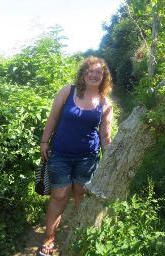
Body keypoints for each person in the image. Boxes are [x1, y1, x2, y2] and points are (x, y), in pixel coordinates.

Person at [37, 56, 113, 256]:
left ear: (104, 77)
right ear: (83, 73)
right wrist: (44, 142)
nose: (94, 75)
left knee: (81, 194)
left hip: (87, 158)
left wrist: (110, 158)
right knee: (59, 195)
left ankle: (79, 234)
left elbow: (105, 136)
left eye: (99, 72)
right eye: (90, 71)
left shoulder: (105, 103)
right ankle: (49, 238)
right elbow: (52, 118)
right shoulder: (67, 91)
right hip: (60, 154)